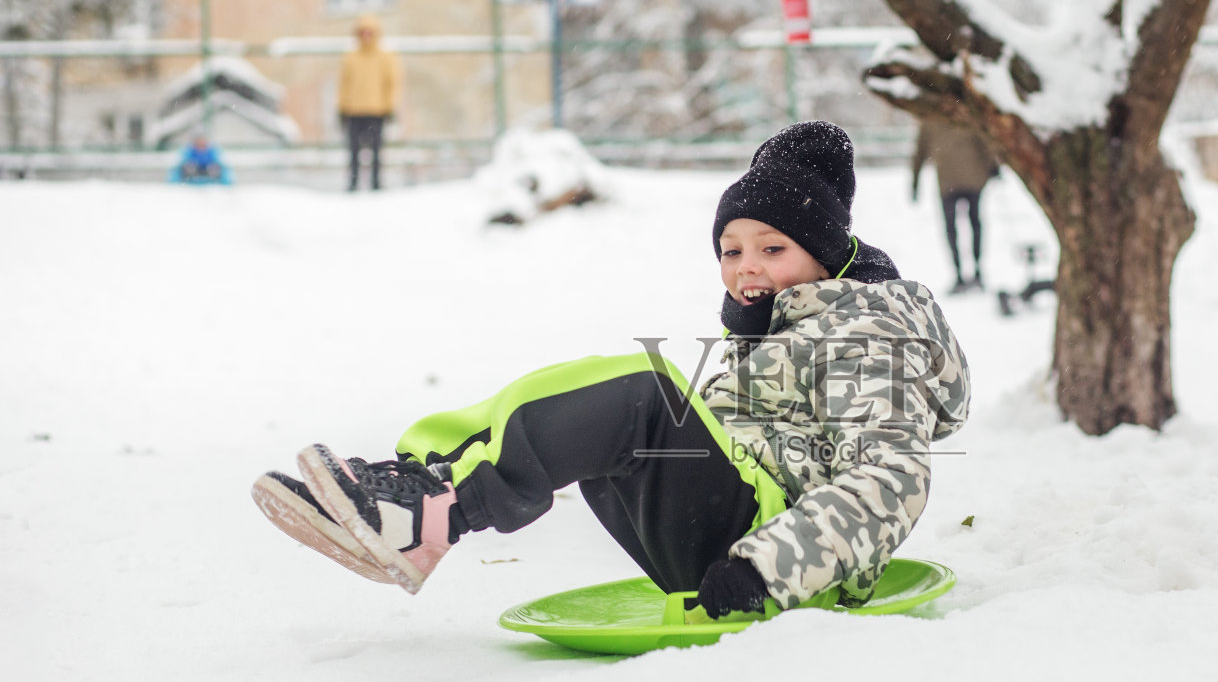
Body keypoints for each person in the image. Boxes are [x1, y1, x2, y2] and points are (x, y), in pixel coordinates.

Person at [251, 121, 971, 619]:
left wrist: (765, 569)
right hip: (745, 536)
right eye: (731, 248)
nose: (747, 266)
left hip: (782, 565)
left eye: (772, 248)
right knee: (607, 387)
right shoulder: (783, 330)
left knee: (642, 395)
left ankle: (433, 510)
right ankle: (420, 484)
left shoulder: (868, 330)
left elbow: (891, 479)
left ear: (823, 251)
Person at [911, 117, 1001, 292]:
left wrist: (915, 183)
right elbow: (985, 144)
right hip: (972, 180)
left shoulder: (930, 120)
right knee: (975, 225)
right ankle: (976, 271)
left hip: (949, 183)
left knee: (952, 229)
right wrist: (993, 168)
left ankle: (960, 274)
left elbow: (919, 153)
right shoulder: (963, 115)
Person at [337, 14, 402, 191]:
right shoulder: (350, 57)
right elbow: (344, 84)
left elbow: (391, 84)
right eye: (363, 32)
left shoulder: (385, 57)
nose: (366, 36)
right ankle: (353, 183)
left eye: (370, 32)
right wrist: (342, 108)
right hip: (353, 111)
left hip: (376, 110)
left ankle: (376, 183)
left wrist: (389, 107)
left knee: (376, 152)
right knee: (353, 151)